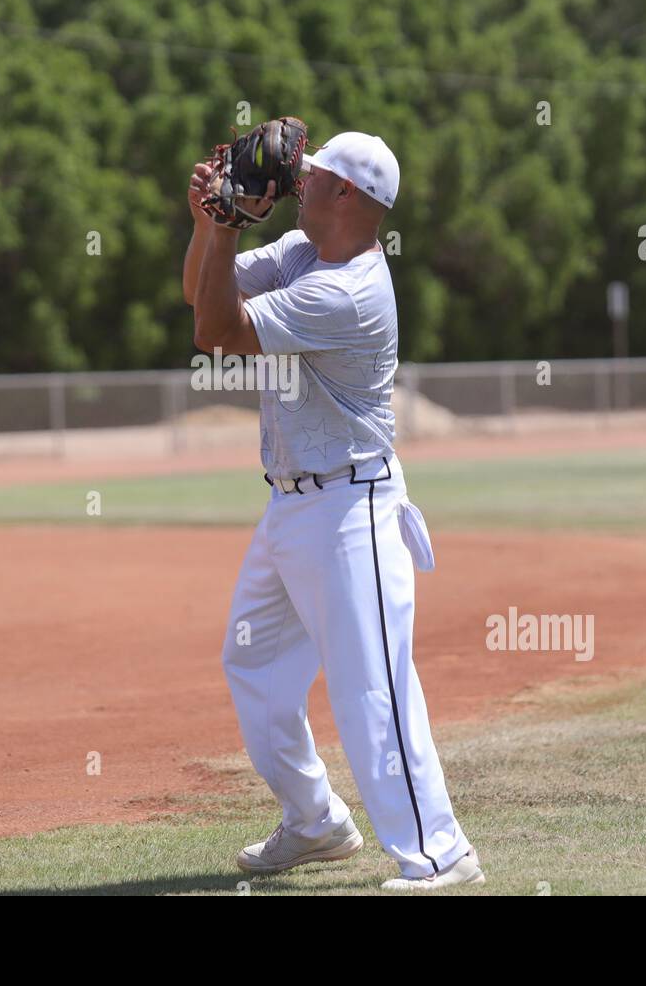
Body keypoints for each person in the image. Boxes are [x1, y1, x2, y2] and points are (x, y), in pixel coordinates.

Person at [182, 130, 484, 891]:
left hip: (354, 511)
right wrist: (204, 224)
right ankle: (315, 821)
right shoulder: (301, 253)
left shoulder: (345, 292)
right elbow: (199, 291)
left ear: (347, 194)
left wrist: (225, 224)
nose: (295, 176)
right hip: (291, 505)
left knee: (371, 686)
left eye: (313, 174)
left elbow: (216, 333)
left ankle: (441, 853)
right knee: (253, 664)